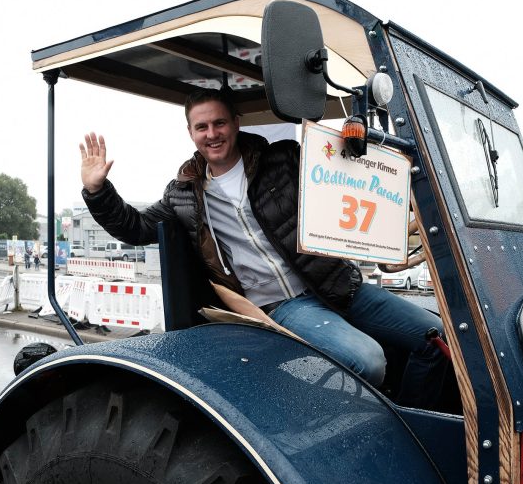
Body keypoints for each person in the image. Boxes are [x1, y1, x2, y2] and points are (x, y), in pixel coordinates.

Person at [80, 88, 449, 408]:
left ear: (236, 123)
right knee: (368, 360)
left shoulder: (283, 159)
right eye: (202, 127)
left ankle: (416, 421)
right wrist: (98, 192)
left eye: (219, 123)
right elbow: (134, 226)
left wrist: (378, 157)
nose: (212, 134)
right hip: (284, 305)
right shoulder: (182, 195)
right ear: (191, 133)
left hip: (337, 284)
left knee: (437, 339)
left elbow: (346, 177)